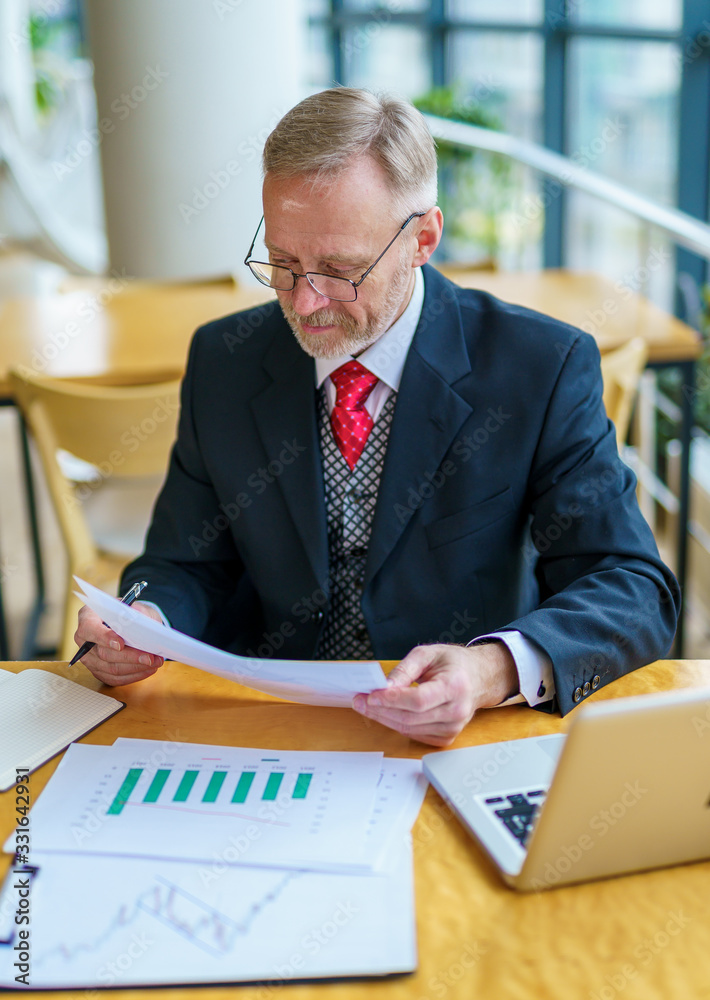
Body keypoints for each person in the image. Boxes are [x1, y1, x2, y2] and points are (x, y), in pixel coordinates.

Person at [74, 88, 679, 746]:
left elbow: (632, 587)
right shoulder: (225, 359)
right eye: (281, 263)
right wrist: (144, 620)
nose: (304, 302)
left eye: (340, 270)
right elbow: (185, 564)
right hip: (268, 731)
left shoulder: (542, 366)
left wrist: (491, 668)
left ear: (423, 238)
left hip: (460, 738)